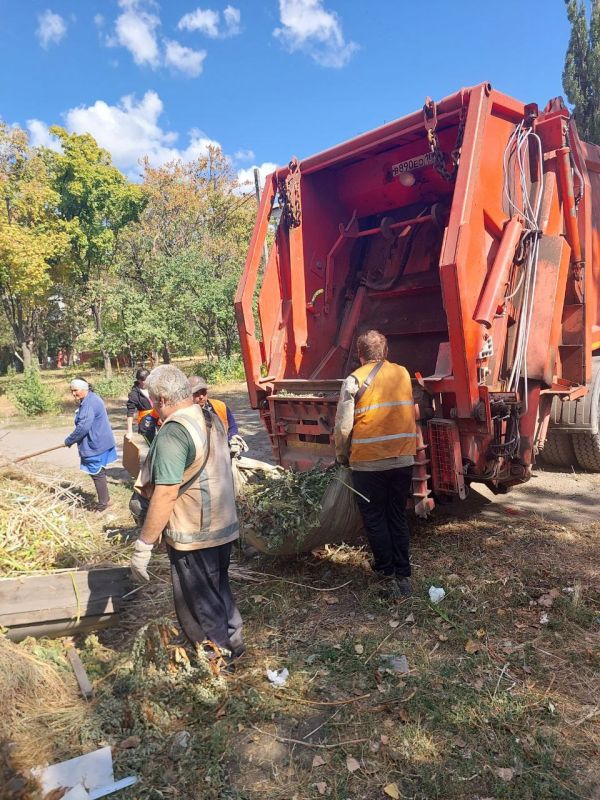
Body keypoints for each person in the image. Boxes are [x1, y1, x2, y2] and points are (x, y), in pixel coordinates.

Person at [130, 365, 244, 663]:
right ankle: (234, 644)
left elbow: (166, 493)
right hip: (222, 524)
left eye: (154, 401)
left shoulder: (174, 431)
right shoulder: (207, 416)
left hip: (194, 532)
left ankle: (217, 665)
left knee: (200, 604)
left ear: (162, 399)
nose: (154, 408)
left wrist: (144, 544)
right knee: (218, 590)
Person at [334, 330, 417, 597]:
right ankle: (403, 574)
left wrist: (341, 455)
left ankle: (386, 571)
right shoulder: (403, 373)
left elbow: (343, 427)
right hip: (403, 458)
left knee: (375, 518)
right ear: (386, 351)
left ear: (360, 355)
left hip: (369, 464)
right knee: (396, 515)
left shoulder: (353, 380)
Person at [64, 378, 118, 514]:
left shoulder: (89, 404)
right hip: (102, 441)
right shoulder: (92, 398)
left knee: (96, 473)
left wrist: (69, 440)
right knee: (99, 472)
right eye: (72, 391)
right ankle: (106, 499)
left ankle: (103, 504)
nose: (73, 394)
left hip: (95, 444)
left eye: (75, 390)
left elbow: (83, 427)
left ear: (84, 389)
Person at [188, 375, 248, 458]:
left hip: (223, 450)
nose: (201, 396)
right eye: (196, 393)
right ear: (188, 395)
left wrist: (232, 439)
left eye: (203, 392)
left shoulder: (220, 406)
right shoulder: (185, 413)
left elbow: (232, 426)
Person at [126, 368, 160, 443]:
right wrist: (129, 431)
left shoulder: (154, 388)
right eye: (145, 380)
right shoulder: (134, 394)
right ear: (139, 380)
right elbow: (130, 412)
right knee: (151, 445)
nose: (148, 382)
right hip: (146, 421)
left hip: (159, 417)